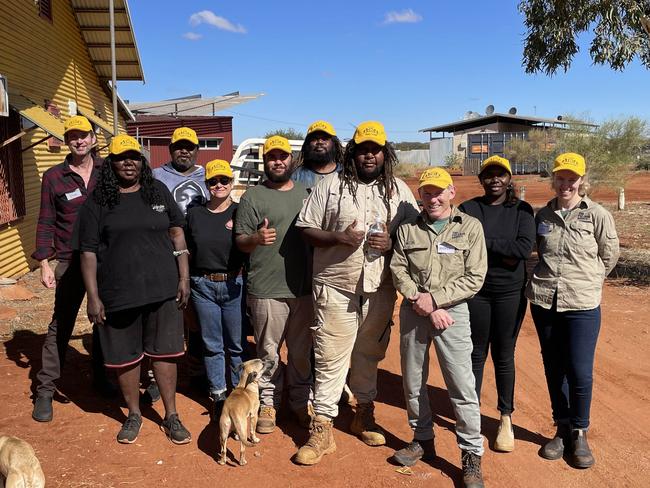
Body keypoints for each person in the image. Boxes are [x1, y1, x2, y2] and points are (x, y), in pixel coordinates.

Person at [294, 121, 419, 465]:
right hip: (336, 285)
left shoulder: (399, 191)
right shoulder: (330, 185)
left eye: (375, 149)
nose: (369, 155)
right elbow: (305, 228)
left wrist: (393, 242)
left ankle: (363, 414)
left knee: (368, 353)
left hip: (380, 287)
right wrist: (338, 238)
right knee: (330, 355)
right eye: (363, 149)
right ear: (352, 151)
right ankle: (321, 429)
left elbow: (417, 233)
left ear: (385, 153)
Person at [77, 134, 192, 445]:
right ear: (110, 163)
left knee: (165, 354)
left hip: (163, 290)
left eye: (133, 157)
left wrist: (183, 278)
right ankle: (133, 414)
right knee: (125, 358)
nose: (128, 162)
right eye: (120, 157)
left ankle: (171, 415)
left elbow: (177, 233)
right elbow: (87, 252)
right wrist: (94, 297)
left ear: (142, 161)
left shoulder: (158, 191)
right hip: (118, 294)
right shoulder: (98, 202)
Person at [390, 168, 487, 488]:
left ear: (451, 193)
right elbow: (398, 269)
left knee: (461, 385)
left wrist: (436, 302)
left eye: (437, 192)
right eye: (426, 192)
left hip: (453, 314)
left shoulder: (470, 228)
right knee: (413, 381)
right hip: (413, 311)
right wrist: (421, 300)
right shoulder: (408, 229)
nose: (432, 198)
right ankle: (422, 439)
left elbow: (474, 277)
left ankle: (471, 454)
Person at [527, 152, 619, 468]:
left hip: (581, 304)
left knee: (580, 370)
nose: (566, 184)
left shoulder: (597, 215)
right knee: (554, 367)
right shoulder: (543, 216)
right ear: (554, 180)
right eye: (561, 178)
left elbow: (609, 256)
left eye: (572, 179)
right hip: (544, 301)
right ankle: (562, 426)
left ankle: (580, 431)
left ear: (582, 181)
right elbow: (538, 253)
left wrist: (589, 282)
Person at [31, 115, 113, 423]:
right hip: (69, 259)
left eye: (84, 135)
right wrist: (43, 263)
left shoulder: (109, 171)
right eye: (72, 136)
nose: (79, 140)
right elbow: (46, 220)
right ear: (67, 141)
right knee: (61, 324)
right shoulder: (54, 177)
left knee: (103, 319)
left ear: (93, 138)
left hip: (105, 260)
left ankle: (102, 376)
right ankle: (45, 389)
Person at [234, 135, 313, 434]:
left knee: (301, 351)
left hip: (304, 288)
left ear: (291, 160)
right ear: (264, 161)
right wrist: (255, 239)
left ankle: (300, 400)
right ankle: (269, 402)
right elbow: (240, 241)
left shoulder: (307, 194)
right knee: (268, 351)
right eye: (272, 157)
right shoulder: (253, 197)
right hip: (266, 289)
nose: (277, 161)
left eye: (282, 156)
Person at [459, 155, 535, 452]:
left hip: (509, 294)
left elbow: (523, 249)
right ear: (481, 179)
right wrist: (501, 250)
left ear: (508, 179)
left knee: (504, 355)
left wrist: (483, 242)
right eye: (489, 175)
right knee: (475, 354)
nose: (494, 179)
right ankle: (472, 416)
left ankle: (505, 418)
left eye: (500, 174)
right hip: (475, 292)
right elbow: (459, 246)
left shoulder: (522, 209)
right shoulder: (468, 209)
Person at [185, 159, 247, 418]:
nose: (219, 185)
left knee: (236, 344)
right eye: (213, 181)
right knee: (212, 344)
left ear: (232, 183)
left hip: (234, 283)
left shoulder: (241, 211)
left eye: (224, 180)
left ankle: (239, 392)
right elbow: (185, 250)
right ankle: (219, 394)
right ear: (207, 184)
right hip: (203, 285)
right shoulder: (195, 213)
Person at [153, 126, 209, 393]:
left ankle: (196, 369)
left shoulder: (209, 176)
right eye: (179, 146)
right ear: (171, 149)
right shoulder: (156, 177)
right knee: (166, 314)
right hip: (164, 255)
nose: (184, 150)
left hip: (199, 256)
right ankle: (158, 375)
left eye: (189, 146)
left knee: (197, 316)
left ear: (197, 150)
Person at [291, 120, 343, 189]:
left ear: (334, 143)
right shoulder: (296, 175)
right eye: (314, 139)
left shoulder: (346, 173)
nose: (320, 142)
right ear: (307, 144)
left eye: (325, 139)